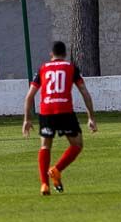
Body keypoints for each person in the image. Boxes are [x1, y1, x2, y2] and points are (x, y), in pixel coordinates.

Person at [22, 41, 97, 196]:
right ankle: (56, 169)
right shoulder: (71, 67)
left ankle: (44, 184)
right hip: (65, 111)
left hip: (47, 111)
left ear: (51, 54)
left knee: (45, 146)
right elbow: (84, 92)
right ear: (65, 54)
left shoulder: (42, 68)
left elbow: (29, 96)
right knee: (77, 144)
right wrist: (91, 117)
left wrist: (27, 119)